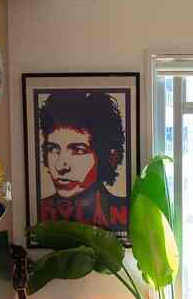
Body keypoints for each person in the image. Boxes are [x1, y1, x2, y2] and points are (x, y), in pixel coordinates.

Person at [38, 90, 128, 231]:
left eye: (78, 150)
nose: (60, 166)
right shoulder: (38, 210)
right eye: (53, 149)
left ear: (108, 157)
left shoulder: (124, 211)